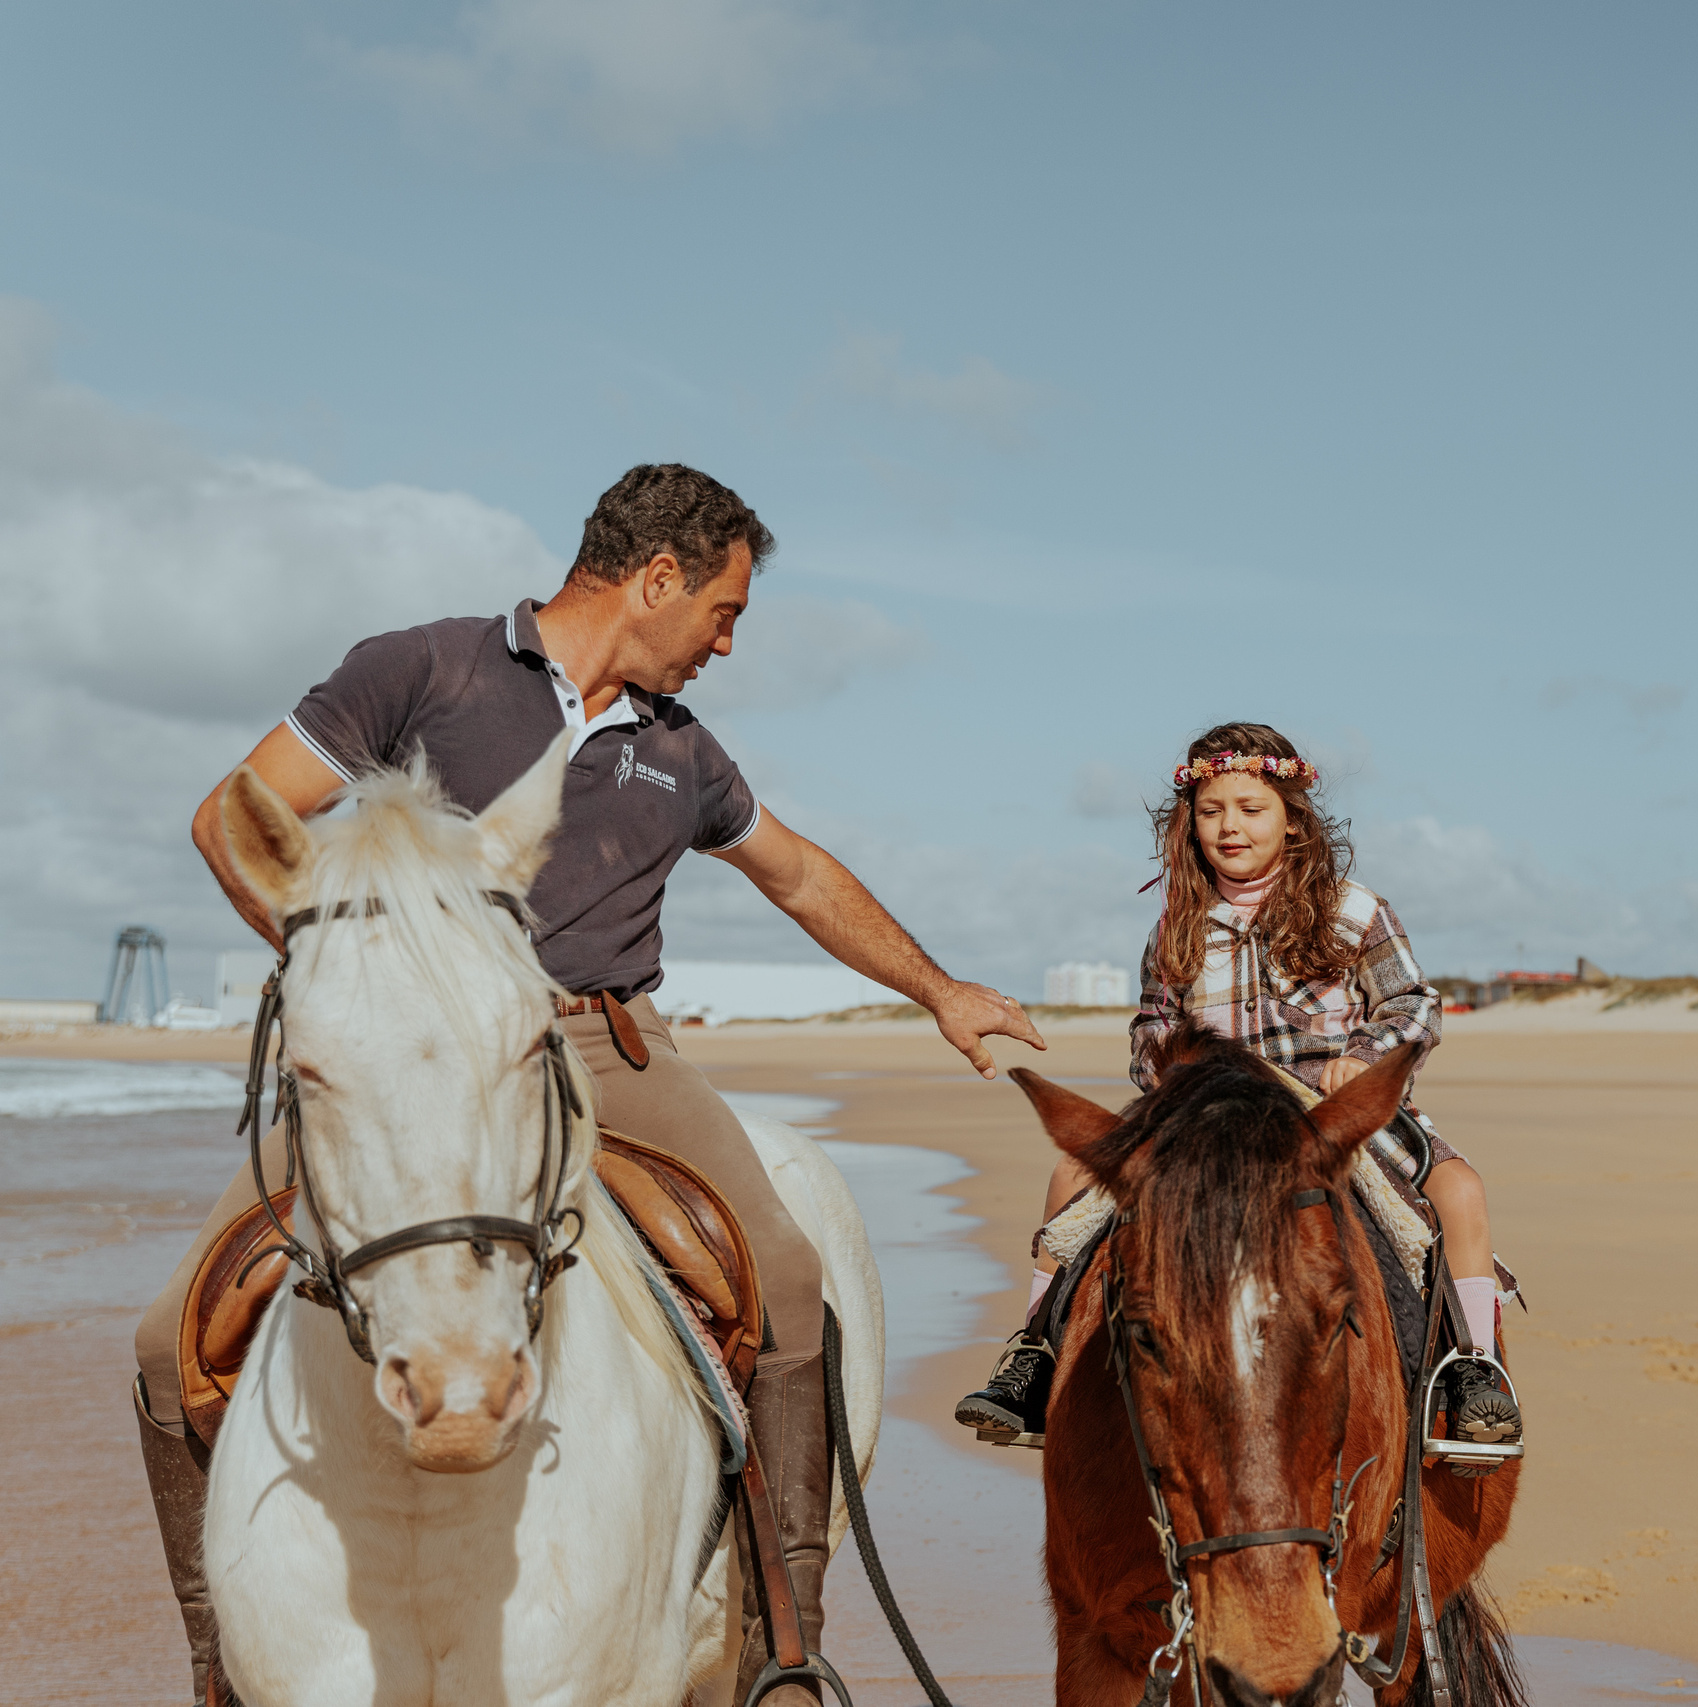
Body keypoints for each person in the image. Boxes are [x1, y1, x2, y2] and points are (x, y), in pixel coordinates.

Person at [137, 463, 1045, 1707]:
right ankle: (219, 1663)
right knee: (165, 1338)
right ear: (657, 578)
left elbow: (800, 878)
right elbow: (231, 822)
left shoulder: (683, 748)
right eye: (723, 612)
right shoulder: (426, 668)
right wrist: (362, 995)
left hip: (610, 1052)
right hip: (408, 1065)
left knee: (784, 1275)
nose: (728, 643)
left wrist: (940, 991)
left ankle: (783, 1642)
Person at [954, 720, 1522, 1447]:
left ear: (1292, 819)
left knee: (1459, 1189)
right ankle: (1036, 1350)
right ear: (1190, 821)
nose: (1230, 826)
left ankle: (1470, 1366)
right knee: (1073, 1172)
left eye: (1251, 808)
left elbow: (1415, 1005)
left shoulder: (1354, 909)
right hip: (1209, 1115)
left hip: (1327, 1113)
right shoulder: (1176, 927)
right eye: (1213, 809)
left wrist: (1366, 1056)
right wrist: (1171, 1062)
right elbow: (1149, 1026)